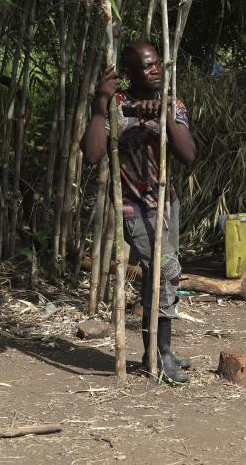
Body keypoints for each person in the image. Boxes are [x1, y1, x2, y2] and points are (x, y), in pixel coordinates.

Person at [81, 41, 197, 384]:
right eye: (148, 67)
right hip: (134, 207)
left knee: (158, 277)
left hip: (166, 203)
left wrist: (160, 116)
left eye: (158, 64)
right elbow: (91, 154)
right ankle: (158, 356)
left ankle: (159, 351)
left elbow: (188, 154)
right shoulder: (117, 106)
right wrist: (101, 102)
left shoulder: (171, 104)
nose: (156, 70)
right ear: (129, 74)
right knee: (167, 269)